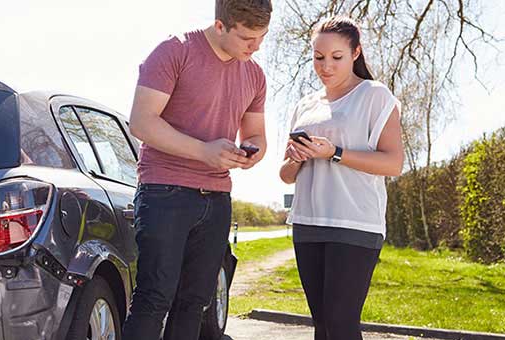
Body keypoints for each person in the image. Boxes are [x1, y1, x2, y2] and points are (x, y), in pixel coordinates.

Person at [123, 0, 273, 339]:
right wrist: (204, 152)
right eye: (248, 38)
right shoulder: (174, 51)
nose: (257, 46)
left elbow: (255, 134)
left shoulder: (254, 74)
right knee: (154, 298)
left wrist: (254, 152)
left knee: (194, 303)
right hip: (164, 192)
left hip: (218, 198)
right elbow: (141, 121)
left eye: (262, 37)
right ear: (221, 26)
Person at [279, 16, 404, 340]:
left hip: (355, 223)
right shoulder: (306, 105)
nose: (326, 66)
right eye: (319, 57)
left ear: (355, 53)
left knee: (341, 322)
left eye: (336, 57)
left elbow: (393, 163)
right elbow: (285, 175)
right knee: (322, 324)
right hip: (308, 222)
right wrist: (297, 158)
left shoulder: (375, 95)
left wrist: (334, 152)